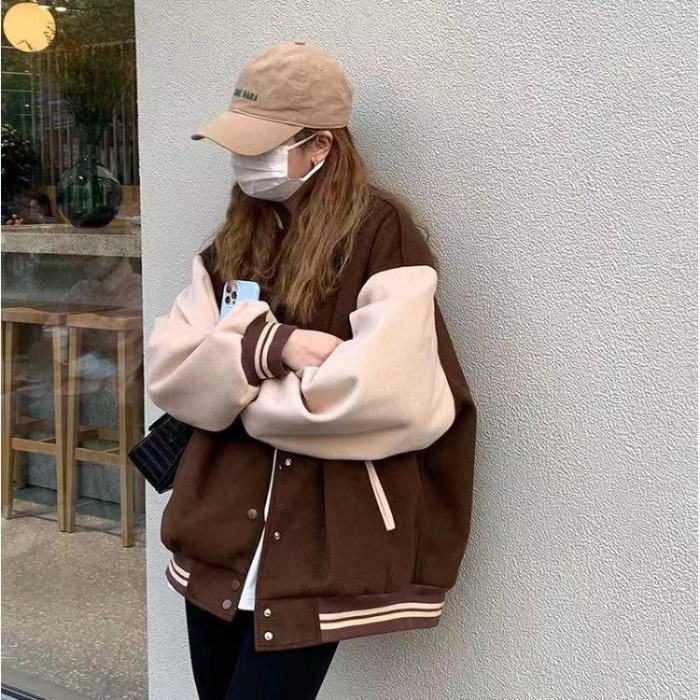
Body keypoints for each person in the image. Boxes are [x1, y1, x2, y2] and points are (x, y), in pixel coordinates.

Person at [146, 41, 477, 700]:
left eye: (261, 145)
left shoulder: (384, 234)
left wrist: (233, 387)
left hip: (321, 543)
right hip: (217, 538)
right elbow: (170, 371)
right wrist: (273, 348)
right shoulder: (233, 241)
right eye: (238, 145)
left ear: (320, 146)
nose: (244, 162)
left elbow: (386, 396)